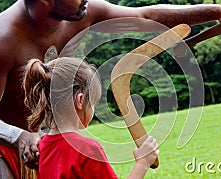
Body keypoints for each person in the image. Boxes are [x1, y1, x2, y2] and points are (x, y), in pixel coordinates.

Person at [0, 0, 221, 178]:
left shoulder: (83, 11)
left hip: (43, 147)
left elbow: (146, 17)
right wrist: (18, 137)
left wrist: (217, 11)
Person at [23, 57, 158, 178]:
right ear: (80, 100)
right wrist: (143, 162)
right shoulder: (87, 150)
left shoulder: (39, 148)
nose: (92, 109)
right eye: (92, 103)